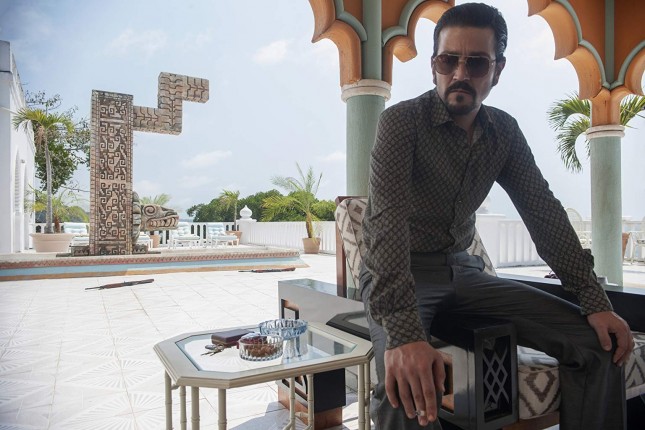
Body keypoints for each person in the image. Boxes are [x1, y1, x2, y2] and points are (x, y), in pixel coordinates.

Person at [359, 3, 634, 429]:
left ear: (497, 70)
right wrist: (404, 333)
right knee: (406, 384)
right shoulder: (402, 123)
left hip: (466, 274)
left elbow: (543, 213)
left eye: (476, 63)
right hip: (403, 272)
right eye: (448, 60)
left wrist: (594, 301)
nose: (460, 73)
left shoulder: (503, 132)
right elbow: (386, 224)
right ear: (433, 66)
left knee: (597, 346)